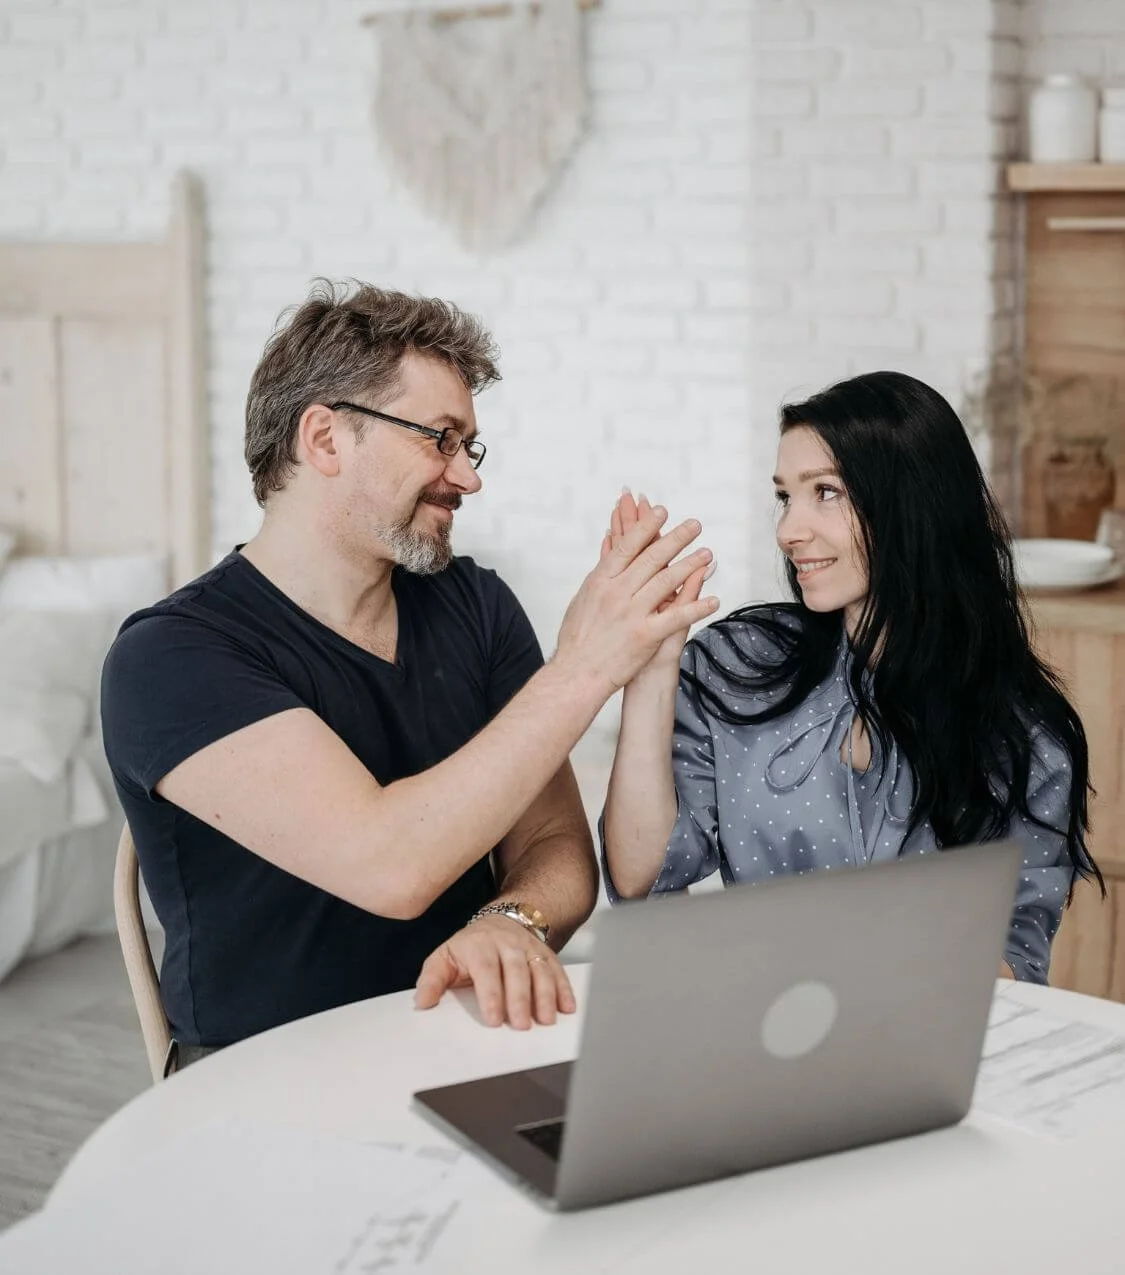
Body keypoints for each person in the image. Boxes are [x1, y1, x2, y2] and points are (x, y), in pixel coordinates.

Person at [101, 280, 717, 1066]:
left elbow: (557, 841)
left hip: (464, 1040)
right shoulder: (171, 657)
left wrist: (512, 918)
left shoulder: (475, 605)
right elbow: (388, 864)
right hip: (267, 1077)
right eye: (439, 439)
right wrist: (587, 665)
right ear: (324, 439)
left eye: (470, 447)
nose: (468, 477)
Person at [602, 370, 1104, 983]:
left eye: (827, 493)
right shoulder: (736, 666)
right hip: (756, 1034)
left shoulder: (1027, 735)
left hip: (917, 1052)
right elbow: (641, 875)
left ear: (912, 500)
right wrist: (652, 671)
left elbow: (1012, 969)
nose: (790, 530)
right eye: (786, 496)